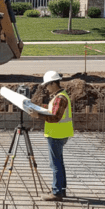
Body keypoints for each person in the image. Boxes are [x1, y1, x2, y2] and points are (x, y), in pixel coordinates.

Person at [32, 70, 73, 201]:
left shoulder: (60, 98)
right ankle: (61, 190)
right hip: (59, 133)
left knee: (55, 164)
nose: (46, 88)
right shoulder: (59, 96)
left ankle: (56, 193)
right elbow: (52, 110)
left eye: (47, 85)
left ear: (54, 83)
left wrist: (37, 115)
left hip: (57, 134)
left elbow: (55, 117)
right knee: (59, 163)